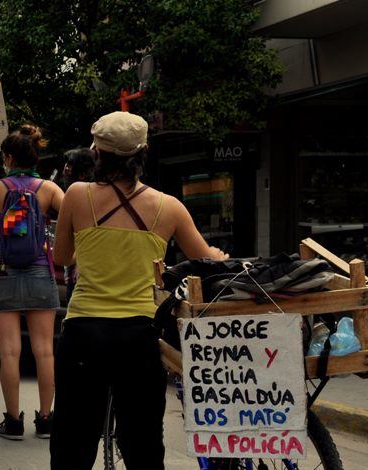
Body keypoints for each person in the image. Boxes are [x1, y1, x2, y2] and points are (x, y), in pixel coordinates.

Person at [50, 111, 227, 469]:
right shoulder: (168, 207)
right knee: (144, 444)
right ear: (143, 153)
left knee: (73, 442)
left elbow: (63, 257)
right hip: (139, 335)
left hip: (84, 332)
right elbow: (207, 261)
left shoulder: (77, 195)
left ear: (98, 154)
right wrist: (219, 254)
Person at [0, 125, 64, 440]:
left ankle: (12, 422)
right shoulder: (49, 190)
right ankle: (47, 420)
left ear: (9, 158)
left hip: (2, 273)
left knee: (10, 352)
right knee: (45, 351)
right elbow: (72, 219)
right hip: (40, 273)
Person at [59, 147, 96, 302]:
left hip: (85, 281)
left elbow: (62, 257)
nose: (65, 173)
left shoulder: (80, 200)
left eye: (69, 169)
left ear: (82, 174)